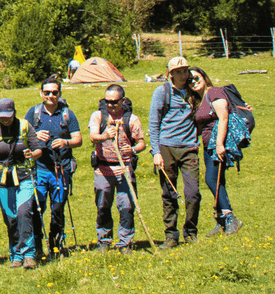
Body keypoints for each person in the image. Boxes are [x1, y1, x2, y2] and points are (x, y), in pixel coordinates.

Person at [0, 97, 43, 269]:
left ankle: (29, 255)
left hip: (25, 175)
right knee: (10, 217)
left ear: (14, 112)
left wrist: (33, 154)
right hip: (2, 179)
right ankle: (16, 255)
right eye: (1, 116)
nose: (5, 119)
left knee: (24, 212)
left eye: (7, 116)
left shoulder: (24, 126)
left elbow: (38, 148)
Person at [25, 75, 82, 258]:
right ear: (41, 93)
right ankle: (37, 245)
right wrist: (34, 136)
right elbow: (22, 139)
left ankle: (56, 243)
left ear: (59, 93)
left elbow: (78, 140)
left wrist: (65, 142)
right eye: (47, 92)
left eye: (54, 92)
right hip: (39, 169)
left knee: (58, 208)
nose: (50, 95)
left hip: (61, 168)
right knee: (37, 208)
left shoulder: (67, 114)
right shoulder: (33, 113)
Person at [148, 55, 201, 248]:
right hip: (166, 147)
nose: (182, 74)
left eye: (185, 70)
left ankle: (191, 232)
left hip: (189, 148)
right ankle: (171, 235)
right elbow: (154, 123)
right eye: (177, 71)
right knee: (169, 193)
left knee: (193, 193)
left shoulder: (194, 91)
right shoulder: (161, 92)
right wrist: (156, 152)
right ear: (170, 74)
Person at [89, 84, 146, 253]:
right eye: (107, 101)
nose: (110, 105)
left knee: (126, 206)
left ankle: (125, 242)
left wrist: (133, 149)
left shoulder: (132, 119)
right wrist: (105, 136)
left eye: (114, 102)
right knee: (102, 205)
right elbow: (93, 137)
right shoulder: (98, 116)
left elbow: (141, 142)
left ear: (123, 100)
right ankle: (104, 240)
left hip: (124, 169)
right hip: (103, 170)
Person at [190, 67, 243, 237]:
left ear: (204, 77)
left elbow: (224, 117)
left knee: (211, 179)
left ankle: (229, 217)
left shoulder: (214, 92)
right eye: (190, 80)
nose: (194, 81)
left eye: (196, 77)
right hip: (208, 145)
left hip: (218, 143)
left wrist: (220, 144)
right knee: (218, 179)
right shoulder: (198, 100)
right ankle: (222, 220)